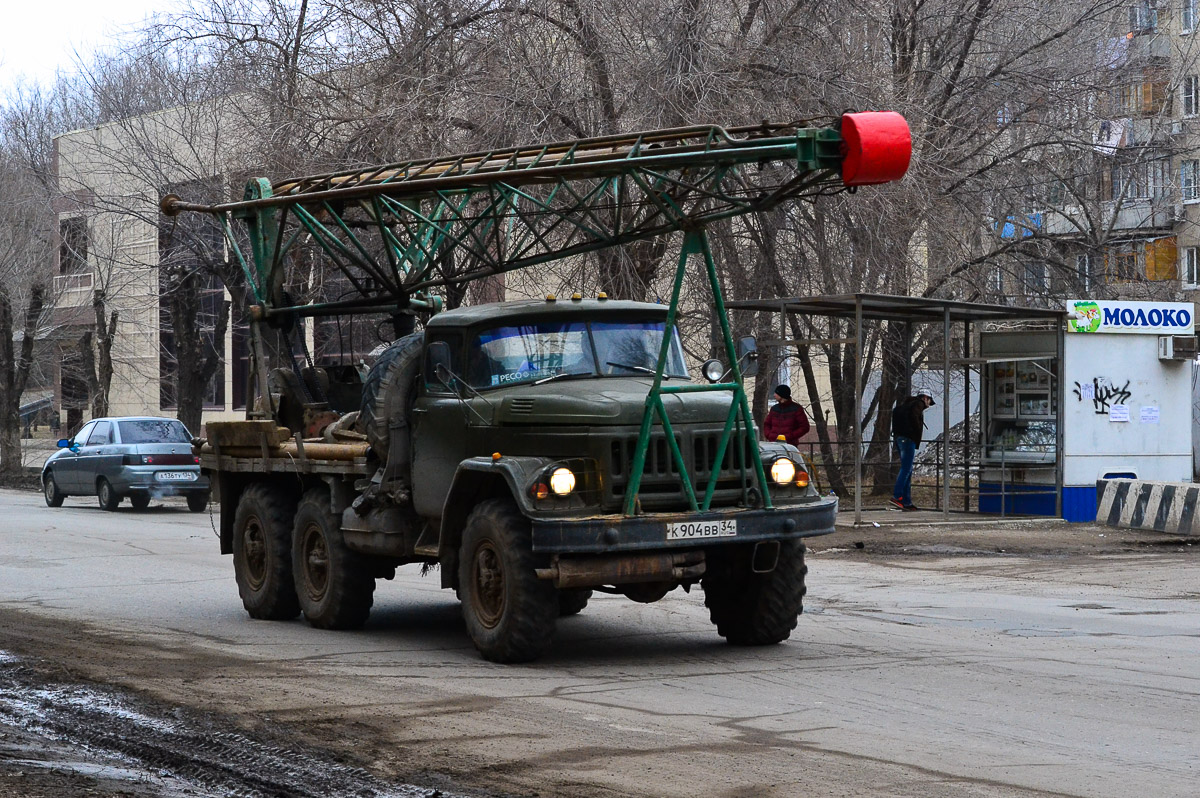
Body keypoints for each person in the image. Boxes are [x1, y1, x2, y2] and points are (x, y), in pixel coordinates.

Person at [891, 389, 935, 510]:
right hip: (908, 439)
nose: (928, 405)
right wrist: (914, 433)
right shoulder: (918, 404)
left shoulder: (905, 405)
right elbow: (914, 418)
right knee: (906, 468)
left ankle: (907, 502)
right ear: (925, 398)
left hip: (899, 438)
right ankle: (897, 496)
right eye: (929, 401)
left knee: (908, 469)